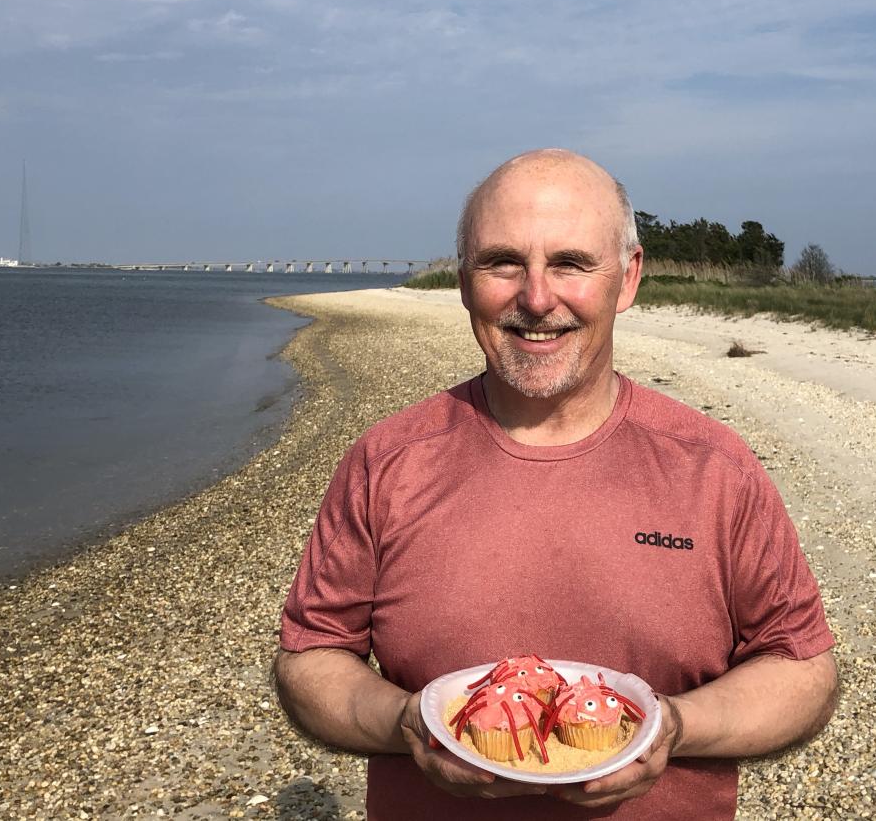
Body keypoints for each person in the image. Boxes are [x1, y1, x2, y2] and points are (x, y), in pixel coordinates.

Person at [274, 148, 838, 819]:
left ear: (627, 279)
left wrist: (675, 726)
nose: (536, 298)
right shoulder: (386, 463)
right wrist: (407, 723)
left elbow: (805, 671)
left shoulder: (714, 469)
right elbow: (309, 661)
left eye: (571, 263)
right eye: (503, 262)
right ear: (463, 281)